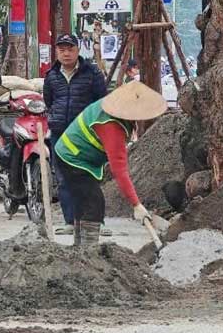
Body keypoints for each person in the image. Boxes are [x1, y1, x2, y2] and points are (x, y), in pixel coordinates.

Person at [54, 81, 167, 245]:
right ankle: (88, 251)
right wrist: (136, 205)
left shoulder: (112, 110)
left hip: (75, 155)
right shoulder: (111, 126)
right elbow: (119, 169)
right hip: (72, 158)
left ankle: (80, 250)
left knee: (84, 202)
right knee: (93, 203)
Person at [43, 33, 107, 236]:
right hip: (60, 133)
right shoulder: (52, 75)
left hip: (85, 135)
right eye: (62, 50)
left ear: (78, 50)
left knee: (88, 177)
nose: (66, 53)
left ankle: (92, 221)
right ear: (57, 52)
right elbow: (49, 101)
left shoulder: (92, 73)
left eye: (70, 49)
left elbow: (100, 101)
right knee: (63, 178)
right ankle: (70, 220)